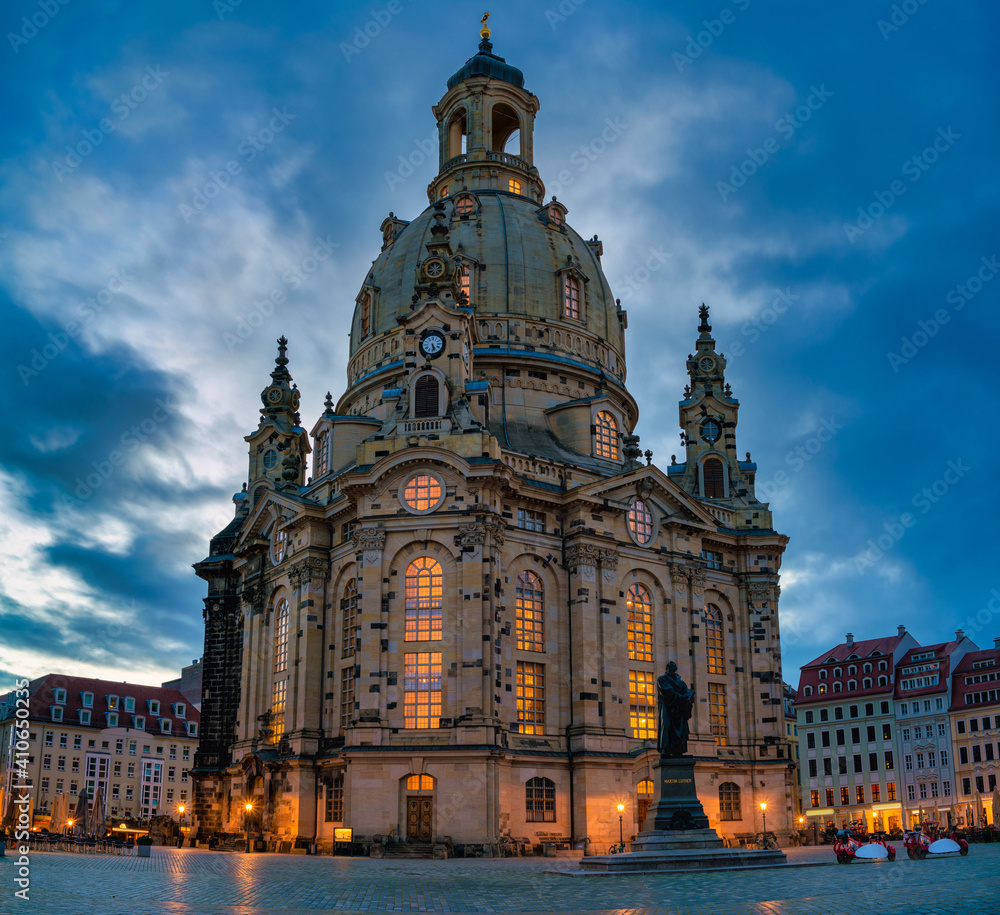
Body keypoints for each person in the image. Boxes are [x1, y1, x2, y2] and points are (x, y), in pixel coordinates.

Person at [656, 661, 695, 756]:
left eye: (673, 667)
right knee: (667, 726)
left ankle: (678, 748)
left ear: (675, 669)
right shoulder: (662, 679)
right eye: (670, 667)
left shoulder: (681, 682)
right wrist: (682, 697)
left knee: (680, 729)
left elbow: (686, 691)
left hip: (678, 708)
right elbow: (667, 692)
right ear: (667, 668)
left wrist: (689, 695)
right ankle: (665, 747)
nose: (671, 669)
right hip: (667, 707)